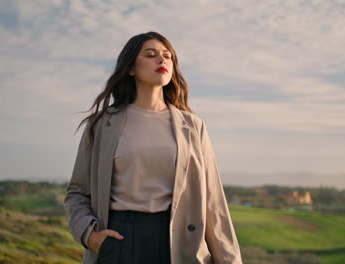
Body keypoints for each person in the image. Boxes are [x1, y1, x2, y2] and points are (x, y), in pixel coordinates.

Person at [63, 31, 242, 264]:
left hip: (180, 245)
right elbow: (77, 193)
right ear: (130, 68)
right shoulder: (101, 125)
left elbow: (213, 202)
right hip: (119, 240)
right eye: (151, 54)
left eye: (168, 56)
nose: (162, 60)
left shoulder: (193, 126)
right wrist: (91, 236)